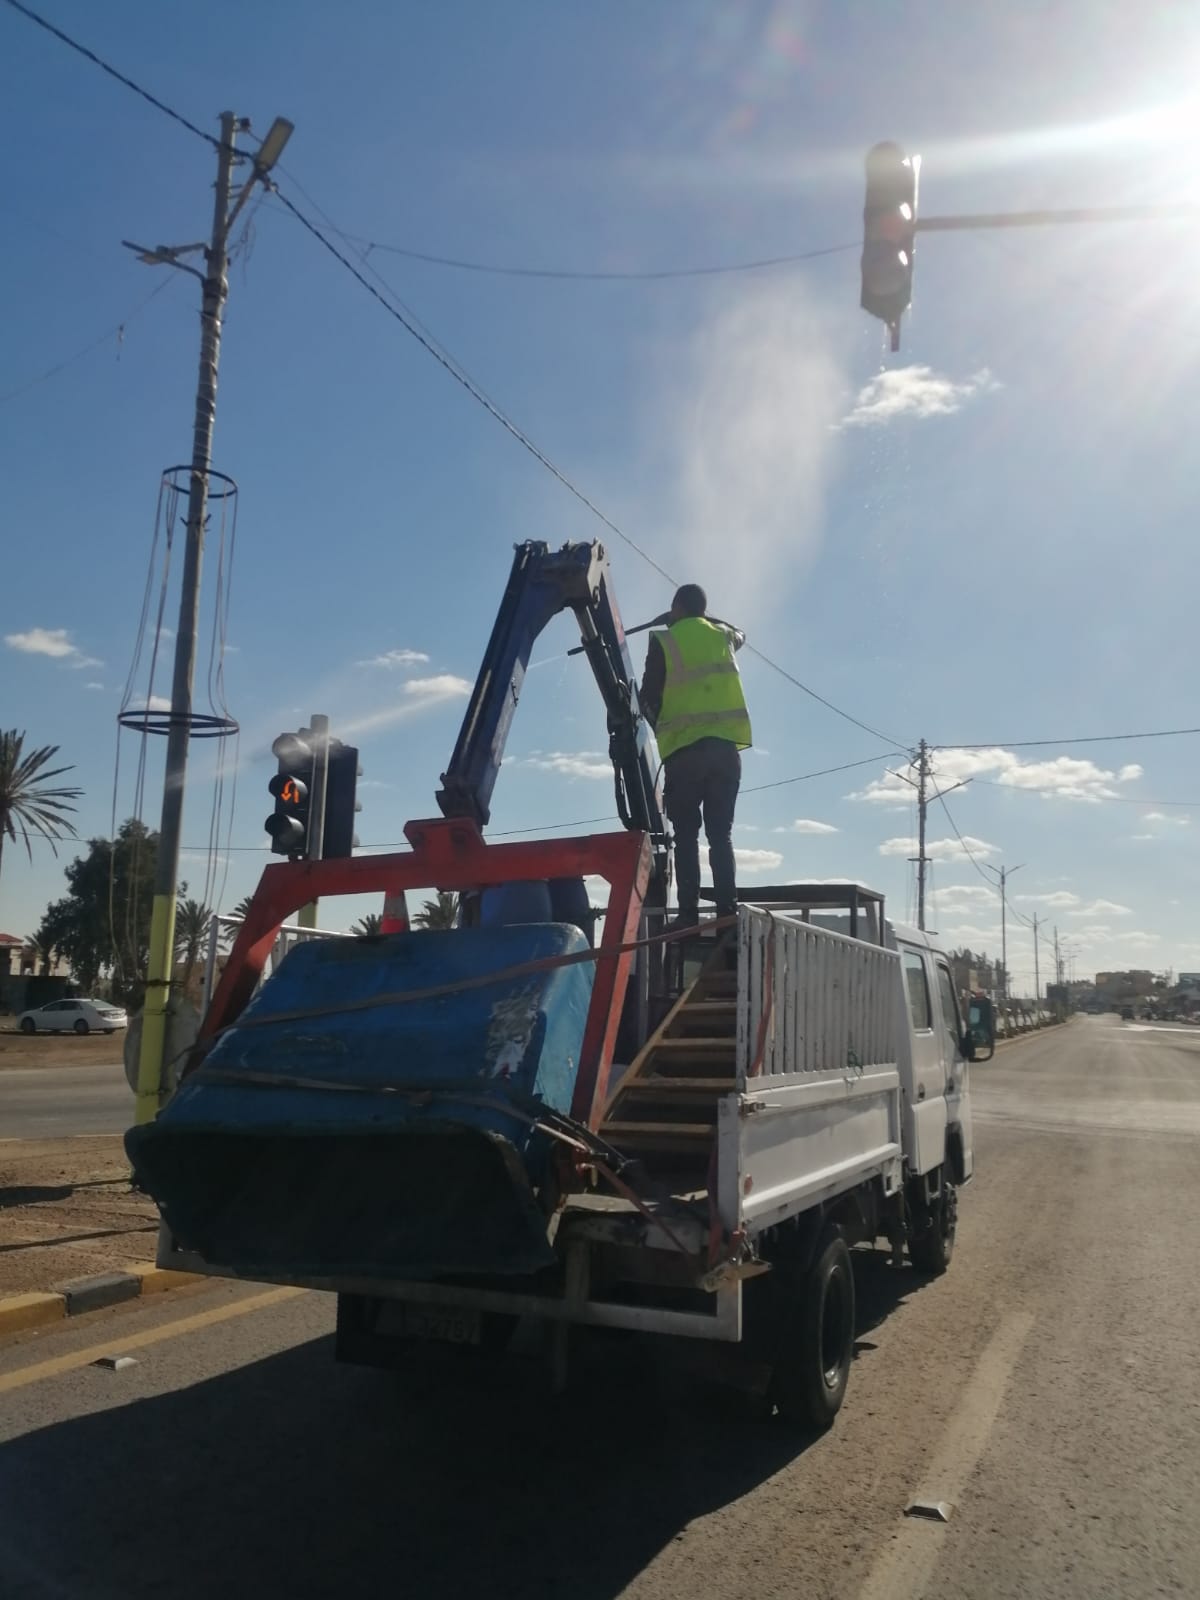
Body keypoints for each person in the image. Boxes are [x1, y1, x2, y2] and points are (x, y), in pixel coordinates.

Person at [638, 583, 752, 926]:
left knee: (686, 835)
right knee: (721, 835)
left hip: (685, 753)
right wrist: (703, 619)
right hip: (726, 753)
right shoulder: (723, 636)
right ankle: (727, 911)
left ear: (676, 607)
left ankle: (687, 915)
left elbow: (647, 699)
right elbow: (741, 633)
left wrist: (662, 730)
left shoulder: (664, 640)